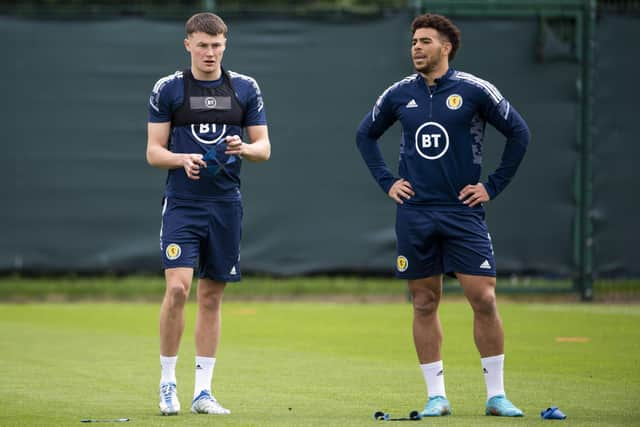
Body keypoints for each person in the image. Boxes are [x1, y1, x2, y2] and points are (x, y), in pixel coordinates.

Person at [356, 13, 530, 417]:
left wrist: (492, 185)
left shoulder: (474, 90)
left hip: (462, 210)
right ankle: (437, 396)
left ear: (446, 47)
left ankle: (496, 395)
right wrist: (387, 181)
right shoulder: (399, 94)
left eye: (425, 41)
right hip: (415, 212)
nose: (416, 47)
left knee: (483, 296)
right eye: (414, 41)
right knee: (423, 301)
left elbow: (519, 133)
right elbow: (365, 134)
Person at [146, 12, 270, 416]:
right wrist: (182, 159)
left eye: (217, 45)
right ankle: (168, 383)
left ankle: (203, 392)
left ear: (225, 45)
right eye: (202, 45)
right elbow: (154, 152)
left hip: (225, 204)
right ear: (188, 45)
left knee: (212, 295)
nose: (210, 52)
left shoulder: (245, 88)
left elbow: (263, 148)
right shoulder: (170, 89)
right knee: (179, 289)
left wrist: (242, 149)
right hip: (183, 203)